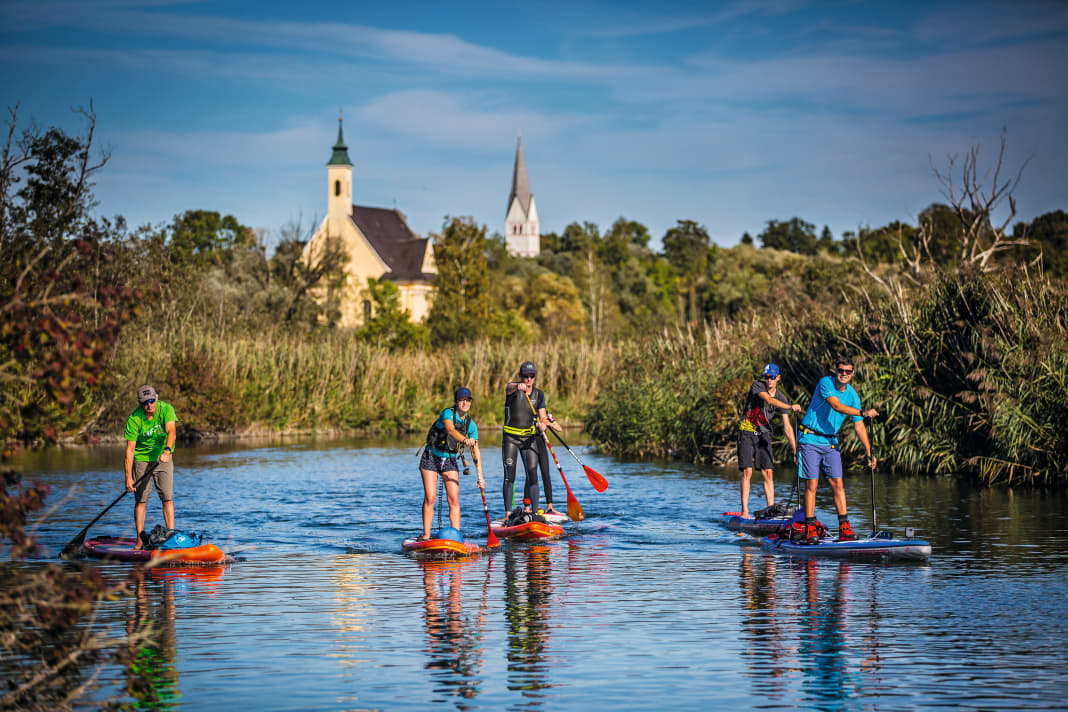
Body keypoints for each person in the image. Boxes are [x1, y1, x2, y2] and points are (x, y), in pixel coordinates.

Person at [795, 357, 878, 543]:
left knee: (838, 485)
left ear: (852, 373)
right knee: (812, 485)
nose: (844, 374)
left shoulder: (853, 395)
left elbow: (859, 426)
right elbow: (836, 405)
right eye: (841, 371)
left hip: (831, 443)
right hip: (810, 439)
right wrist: (863, 412)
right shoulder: (825, 383)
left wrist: (869, 451)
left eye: (848, 372)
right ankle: (809, 529)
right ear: (836, 371)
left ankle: (844, 528)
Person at [419, 387, 485, 540]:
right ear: (456, 402)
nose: (465, 403)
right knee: (431, 497)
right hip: (431, 457)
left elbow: (476, 451)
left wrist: (480, 476)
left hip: (450, 459)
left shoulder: (471, 425)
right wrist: (464, 440)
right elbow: (450, 430)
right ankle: (426, 536)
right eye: (462, 400)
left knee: (454, 499)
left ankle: (456, 537)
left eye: (468, 400)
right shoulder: (447, 413)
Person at [737, 363, 802, 518]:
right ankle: (744, 511)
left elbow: (787, 426)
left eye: (772, 377)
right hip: (747, 428)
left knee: (769, 473)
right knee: (748, 471)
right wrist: (790, 406)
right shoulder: (757, 385)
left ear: (778, 377)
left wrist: (795, 448)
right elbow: (768, 400)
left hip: (764, 433)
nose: (769, 380)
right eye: (767, 377)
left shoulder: (781, 396)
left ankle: (770, 510)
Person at [502, 361, 562, 516]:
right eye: (525, 376)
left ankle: (534, 514)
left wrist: (543, 424)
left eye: (532, 376)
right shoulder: (512, 390)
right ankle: (508, 514)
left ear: (535, 377)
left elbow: (542, 416)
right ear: (520, 376)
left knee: (532, 474)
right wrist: (517, 386)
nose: (528, 379)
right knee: (510, 476)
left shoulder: (539, 394)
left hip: (529, 439)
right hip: (511, 439)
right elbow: (508, 387)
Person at [123, 385, 178, 549]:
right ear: (141, 404)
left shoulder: (166, 409)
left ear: (157, 398)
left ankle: (171, 536)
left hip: (163, 457)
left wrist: (167, 450)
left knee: (167, 497)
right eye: (145, 402)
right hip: (141, 459)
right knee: (141, 500)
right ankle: (140, 539)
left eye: (152, 401)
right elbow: (130, 451)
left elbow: (172, 432)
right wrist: (128, 477)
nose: (149, 405)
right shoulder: (134, 419)